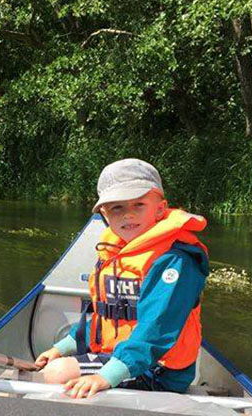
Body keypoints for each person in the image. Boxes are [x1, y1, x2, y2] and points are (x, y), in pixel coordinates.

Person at [35, 158, 209, 399]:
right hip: (124, 358)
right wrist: (63, 347)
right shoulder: (115, 253)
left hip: (158, 369)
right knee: (57, 363)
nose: (128, 215)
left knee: (58, 373)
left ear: (159, 208)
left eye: (138, 204)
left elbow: (157, 327)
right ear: (105, 215)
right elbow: (104, 318)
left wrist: (107, 376)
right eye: (117, 207)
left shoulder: (174, 260)